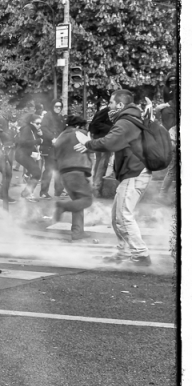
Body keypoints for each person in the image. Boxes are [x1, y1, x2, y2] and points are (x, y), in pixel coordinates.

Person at [79, 90, 152, 264]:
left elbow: (110, 141)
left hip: (134, 172)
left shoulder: (126, 121)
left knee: (123, 215)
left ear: (120, 105)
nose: (108, 106)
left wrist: (87, 143)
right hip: (133, 171)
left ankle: (141, 254)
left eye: (111, 103)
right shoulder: (131, 118)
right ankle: (124, 252)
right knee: (117, 215)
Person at [52, 116, 93, 241]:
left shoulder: (60, 137)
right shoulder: (80, 133)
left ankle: (77, 231)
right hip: (77, 170)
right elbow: (93, 146)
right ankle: (63, 206)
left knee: (77, 201)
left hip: (64, 173)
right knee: (86, 200)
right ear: (78, 126)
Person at [14, 112, 44, 201]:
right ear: (31, 122)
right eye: (37, 123)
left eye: (40, 123)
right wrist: (38, 140)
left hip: (24, 154)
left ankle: (26, 191)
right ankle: (27, 193)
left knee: (36, 172)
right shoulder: (27, 129)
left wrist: (39, 135)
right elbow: (23, 142)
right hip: (21, 155)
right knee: (37, 173)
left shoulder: (31, 130)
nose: (39, 125)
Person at [40, 100, 66, 199]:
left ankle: (58, 191)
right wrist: (52, 138)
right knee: (49, 170)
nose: (58, 108)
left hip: (59, 146)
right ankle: (44, 192)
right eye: (56, 106)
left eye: (60, 107)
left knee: (59, 169)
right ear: (52, 106)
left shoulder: (60, 117)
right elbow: (44, 128)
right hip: (50, 146)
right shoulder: (48, 116)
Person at [88, 103, 115, 198]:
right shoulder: (107, 111)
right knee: (103, 163)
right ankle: (96, 187)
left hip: (99, 138)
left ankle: (95, 185)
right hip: (103, 139)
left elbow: (93, 123)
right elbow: (95, 123)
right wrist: (112, 129)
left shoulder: (105, 111)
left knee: (100, 162)